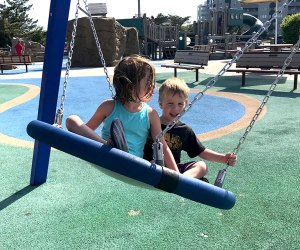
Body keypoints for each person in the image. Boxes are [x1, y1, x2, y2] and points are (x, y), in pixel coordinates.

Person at [65, 55, 179, 172]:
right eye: (148, 82)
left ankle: (116, 150)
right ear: (130, 86)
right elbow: (86, 131)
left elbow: (162, 146)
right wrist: (58, 132)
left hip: (133, 164)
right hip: (105, 155)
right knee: (71, 120)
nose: (152, 86)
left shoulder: (150, 114)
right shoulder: (109, 107)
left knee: (155, 164)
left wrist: (177, 175)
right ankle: (110, 146)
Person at [143, 77, 237, 181]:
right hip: (153, 166)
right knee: (152, 162)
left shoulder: (184, 130)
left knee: (202, 166)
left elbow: (201, 151)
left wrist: (223, 158)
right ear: (160, 103)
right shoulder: (152, 123)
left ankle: (182, 180)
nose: (176, 108)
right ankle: (177, 180)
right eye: (170, 103)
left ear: (185, 104)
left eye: (180, 104)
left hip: (174, 170)